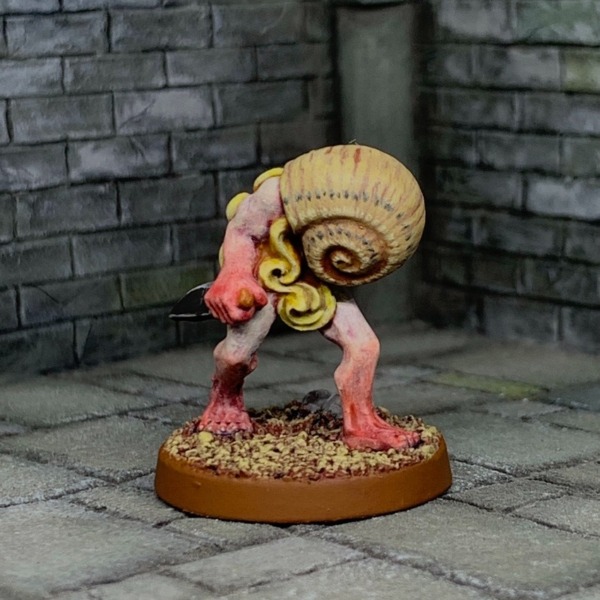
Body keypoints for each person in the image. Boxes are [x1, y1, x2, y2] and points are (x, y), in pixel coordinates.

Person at [195, 174, 420, 451]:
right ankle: (224, 399)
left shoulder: (357, 199)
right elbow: (242, 231)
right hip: (267, 267)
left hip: (319, 271)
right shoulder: (279, 192)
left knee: (364, 346)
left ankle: (360, 424)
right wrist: (235, 272)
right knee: (235, 355)